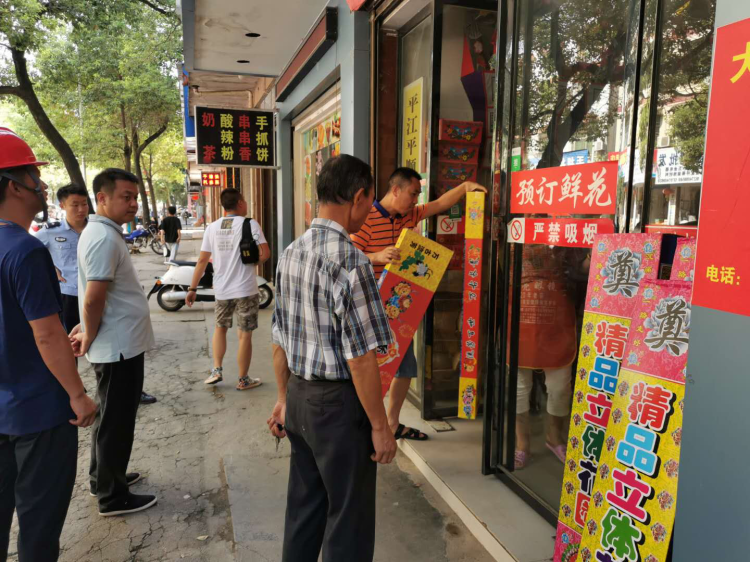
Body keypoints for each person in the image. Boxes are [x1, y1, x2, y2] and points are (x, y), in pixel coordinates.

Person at [267, 155, 397, 562]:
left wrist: (283, 398)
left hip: (300, 398)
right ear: (358, 197)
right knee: (348, 520)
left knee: (304, 510)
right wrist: (380, 426)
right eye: (370, 201)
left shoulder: (291, 252)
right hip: (338, 408)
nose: (369, 210)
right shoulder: (351, 261)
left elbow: (279, 337)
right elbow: (361, 359)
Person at [0, 128, 97, 560]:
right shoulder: (25, 250)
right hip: (37, 410)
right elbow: (47, 333)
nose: (41, 184)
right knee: (39, 519)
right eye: (32, 175)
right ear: (13, 186)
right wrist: (77, 394)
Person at [350, 167, 487, 441]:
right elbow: (348, 256)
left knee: (405, 367)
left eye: (417, 196)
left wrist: (464, 188)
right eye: (412, 194)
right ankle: (363, 424)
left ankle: (391, 423)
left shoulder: (409, 215)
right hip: (370, 307)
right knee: (368, 367)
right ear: (395, 189)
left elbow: (439, 204)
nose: (415, 201)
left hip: (399, 308)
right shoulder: (367, 218)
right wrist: (377, 256)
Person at [71, 168, 157, 516]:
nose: (133, 204)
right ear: (102, 198)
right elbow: (94, 297)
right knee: (117, 422)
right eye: (126, 197)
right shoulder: (104, 237)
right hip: (118, 346)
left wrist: (86, 327)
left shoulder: (101, 232)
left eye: (135, 197)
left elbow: (96, 295)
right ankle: (112, 496)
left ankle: (104, 478)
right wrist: (89, 333)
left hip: (119, 343)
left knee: (110, 416)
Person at [186, 188, 270, 390]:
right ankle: (243, 379)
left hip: (222, 289)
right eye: (245, 201)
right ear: (240, 203)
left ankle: (216, 370)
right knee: (245, 334)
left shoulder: (212, 227)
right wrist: (250, 263)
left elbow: (202, 261)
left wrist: (192, 288)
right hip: (246, 289)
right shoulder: (250, 224)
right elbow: (265, 253)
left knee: (220, 328)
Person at [34, 183, 89, 333]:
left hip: (97, 292)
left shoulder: (96, 229)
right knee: (71, 338)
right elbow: (29, 252)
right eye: (75, 205)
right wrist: (50, 268)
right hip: (68, 295)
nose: (81, 209)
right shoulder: (50, 232)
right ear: (62, 205)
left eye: (84, 204)